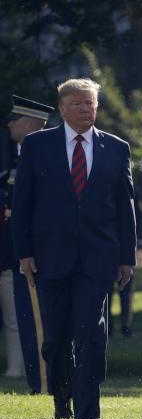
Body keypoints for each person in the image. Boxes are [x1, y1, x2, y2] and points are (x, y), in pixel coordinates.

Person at [12, 78, 137, 419]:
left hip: (98, 258)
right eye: (79, 104)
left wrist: (127, 256)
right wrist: (24, 253)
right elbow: (22, 205)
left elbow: (125, 207)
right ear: (63, 108)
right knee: (55, 339)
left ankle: (87, 412)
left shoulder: (116, 148)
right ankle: (62, 399)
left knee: (92, 335)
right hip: (50, 256)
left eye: (91, 103)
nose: (86, 110)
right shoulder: (38, 146)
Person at [1, 95, 54, 392]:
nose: (10, 124)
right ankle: (39, 382)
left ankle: (46, 383)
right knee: (26, 322)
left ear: (31, 124)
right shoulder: (19, 159)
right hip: (19, 255)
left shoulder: (43, 158)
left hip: (38, 255)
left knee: (40, 323)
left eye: (15, 119)